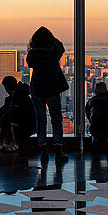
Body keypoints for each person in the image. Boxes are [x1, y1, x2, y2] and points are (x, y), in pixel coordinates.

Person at [26, 26, 68, 159]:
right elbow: (61, 46)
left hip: (37, 89)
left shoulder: (33, 53)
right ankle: (58, 149)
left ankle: (43, 149)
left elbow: (29, 64)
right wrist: (51, 38)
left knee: (41, 119)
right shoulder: (53, 52)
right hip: (52, 88)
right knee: (56, 119)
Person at [0, 76, 35, 152]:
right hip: (15, 120)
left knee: (10, 122)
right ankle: (6, 141)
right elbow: (3, 110)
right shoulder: (10, 98)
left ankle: (14, 142)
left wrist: (0, 123)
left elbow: (14, 114)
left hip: (24, 125)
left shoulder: (22, 98)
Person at [84, 82, 108, 152]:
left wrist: (93, 122)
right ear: (106, 89)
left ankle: (96, 144)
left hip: (96, 130)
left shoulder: (91, 101)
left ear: (96, 91)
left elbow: (87, 113)